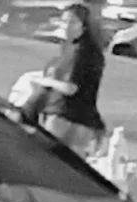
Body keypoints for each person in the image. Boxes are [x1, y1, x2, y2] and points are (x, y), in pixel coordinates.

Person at [32, 3, 107, 156]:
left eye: (72, 22)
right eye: (64, 21)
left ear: (83, 26)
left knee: (47, 161)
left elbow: (71, 88)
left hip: (63, 116)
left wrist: (46, 81)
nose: (66, 26)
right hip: (85, 121)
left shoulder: (78, 53)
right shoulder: (95, 54)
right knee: (73, 170)